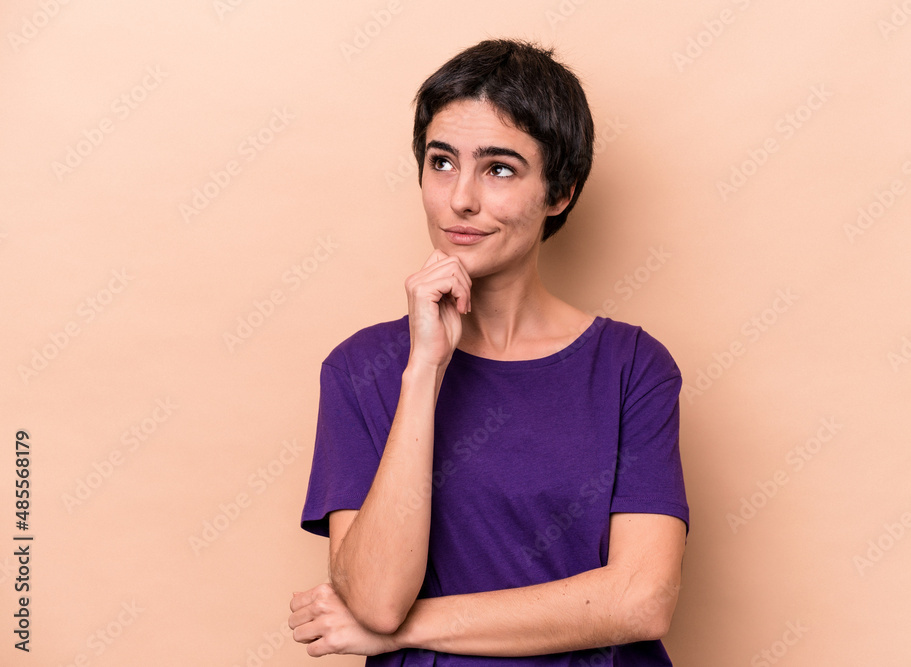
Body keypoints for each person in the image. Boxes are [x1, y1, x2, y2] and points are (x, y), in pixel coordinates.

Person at [288, 38, 689, 666]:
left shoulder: (632, 367)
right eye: (442, 162)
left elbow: (640, 600)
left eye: (499, 168)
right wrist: (424, 370)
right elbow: (375, 599)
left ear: (560, 191)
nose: (461, 199)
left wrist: (404, 631)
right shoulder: (361, 369)